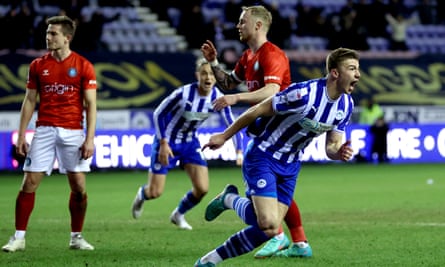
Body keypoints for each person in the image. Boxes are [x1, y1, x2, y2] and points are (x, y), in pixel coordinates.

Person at [195, 47, 360, 266]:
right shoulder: (304, 95)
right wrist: (225, 136)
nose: (358, 74)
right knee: (268, 222)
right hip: (264, 155)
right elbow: (257, 111)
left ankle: (227, 203)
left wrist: (338, 153)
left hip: (291, 166)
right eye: (352, 68)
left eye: (358, 69)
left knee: (269, 230)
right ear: (335, 73)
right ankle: (208, 260)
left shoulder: (346, 105)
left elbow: (331, 146)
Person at [200, 5, 311, 258]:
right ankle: (294, 241)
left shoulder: (273, 55)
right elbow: (228, 81)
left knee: (266, 206)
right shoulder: (248, 57)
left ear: (258, 25)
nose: (238, 25)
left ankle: (231, 201)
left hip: (278, 135)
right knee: (271, 200)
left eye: (242, 21)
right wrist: (213, 62)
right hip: (265, 136)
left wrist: (235, 98)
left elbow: (271, 92)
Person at [2, 15, 97, 252]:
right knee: (29, 183)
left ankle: (76, 237)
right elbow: (29, 100)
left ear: (67, 37)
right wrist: (22, 133)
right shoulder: (38, 65)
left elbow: (91, 105)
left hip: (73, 131)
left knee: (78, 186)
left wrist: (90, 138)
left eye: (53, 33)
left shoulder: (83, 65)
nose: (48, 37)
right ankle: (19, 237)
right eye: (47, 33)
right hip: (44, 129)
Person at [131, 58, 243, 230]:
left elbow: (232, 124)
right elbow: (158, 113)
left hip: (190, 143)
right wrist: (163, 143)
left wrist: (239, 151)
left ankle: (178, 214)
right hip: (167, 142)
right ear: (197, 75)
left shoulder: (218, 98)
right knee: (155, 192)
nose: (208, 77)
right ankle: (142, 194)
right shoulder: (183, 94)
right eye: (204, 73)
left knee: (202, 188)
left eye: (212, 74)